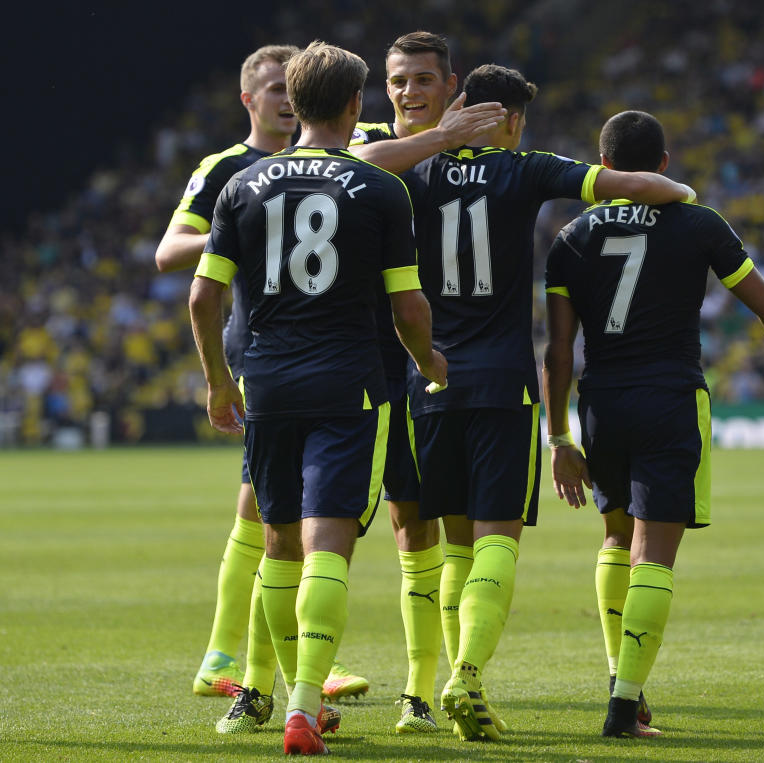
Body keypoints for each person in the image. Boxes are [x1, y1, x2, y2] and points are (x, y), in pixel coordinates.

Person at [401, 66, 696, 742]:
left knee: (453, 548)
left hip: (432, 378)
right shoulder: (525, 169)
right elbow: (628, 185)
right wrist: (680, 188)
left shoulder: (411, 174)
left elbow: (357, 166)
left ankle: (454, 674)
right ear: (505, 119)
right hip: (502, 380)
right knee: (496, 536)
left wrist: (432, 138)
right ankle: (467, 673)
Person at [541, 110, 764, 738]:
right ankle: (623, 708)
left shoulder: (571, 236)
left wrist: (559, 435)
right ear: (665, 165)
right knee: (655, 555)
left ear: (603, 165)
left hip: (602, 402)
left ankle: (624, 678)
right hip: (670, 398)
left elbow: (558, 351)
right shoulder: (699, 223)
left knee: (616, 541)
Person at [189, 40, 447, 756]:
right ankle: (304, 704)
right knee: (328, 543)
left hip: (266, 381)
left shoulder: (243, 184)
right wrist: (428, 360)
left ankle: (258, 689)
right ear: (356, 106)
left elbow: (203, 295)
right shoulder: (380, 188)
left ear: (292, 105)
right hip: (349, 384)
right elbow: (410, 306)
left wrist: (216, 379)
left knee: (276, 547)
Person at [154, 44, 365, 730]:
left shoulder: (333, 161)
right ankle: (247, 660)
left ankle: (248, 661)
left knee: (266, 517)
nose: (280, 97)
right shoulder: (228, 170)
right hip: (264, 360)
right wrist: (234, 228)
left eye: (288, 88)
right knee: (274, 519)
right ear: (249, 99)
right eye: (270, 87)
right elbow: (168, 251)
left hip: (291, 361)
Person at [348, 31, 507, 735]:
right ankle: (415, 689)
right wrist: (438, 138)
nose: (407, 91)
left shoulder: (479, 160)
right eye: (397, 79)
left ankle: (453, 676)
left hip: (456, 367)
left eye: (421, 79)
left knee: (458, 535)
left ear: (450, 85)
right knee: (410, 531)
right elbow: (362, 161)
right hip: (384, 369)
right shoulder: (379, 143)